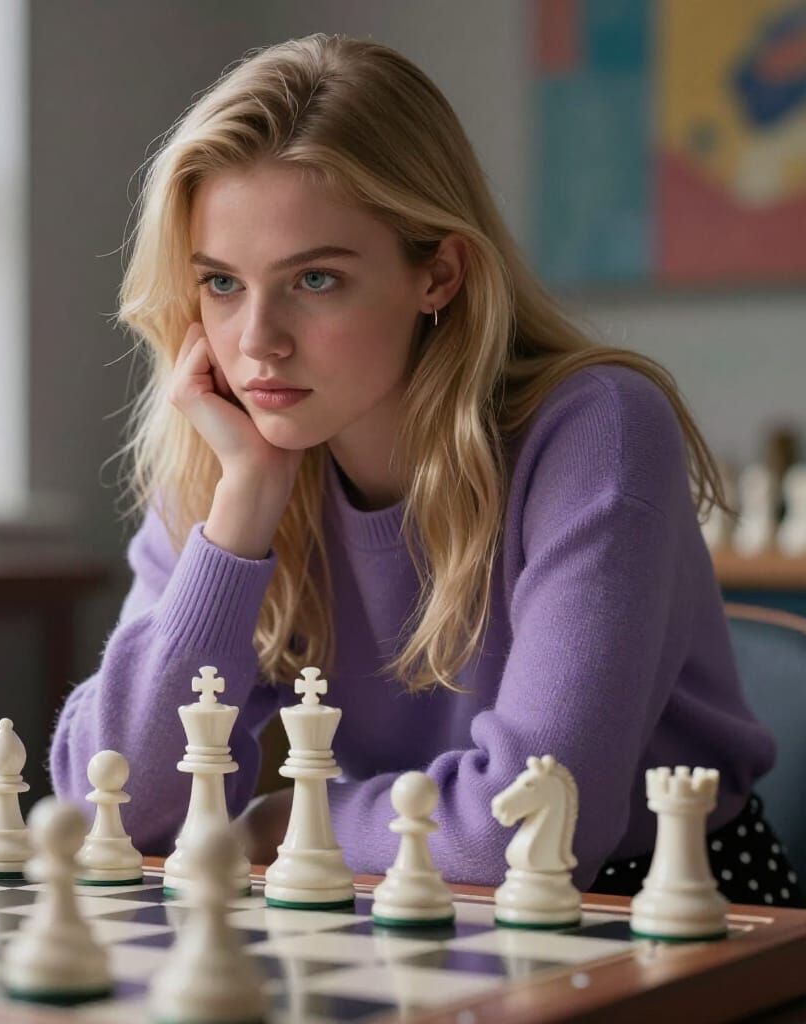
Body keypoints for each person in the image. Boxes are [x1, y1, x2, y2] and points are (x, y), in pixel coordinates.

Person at [49, 33, 802, 907]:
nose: (256, 341)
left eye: (316, 279)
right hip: (364, 901)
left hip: (642, 913)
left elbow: (523, 836)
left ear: (438, 273)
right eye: (220, 283)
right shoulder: (227, 452)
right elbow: (110, 806)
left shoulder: (594, 431)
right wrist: (245, 505)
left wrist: (282, 821)